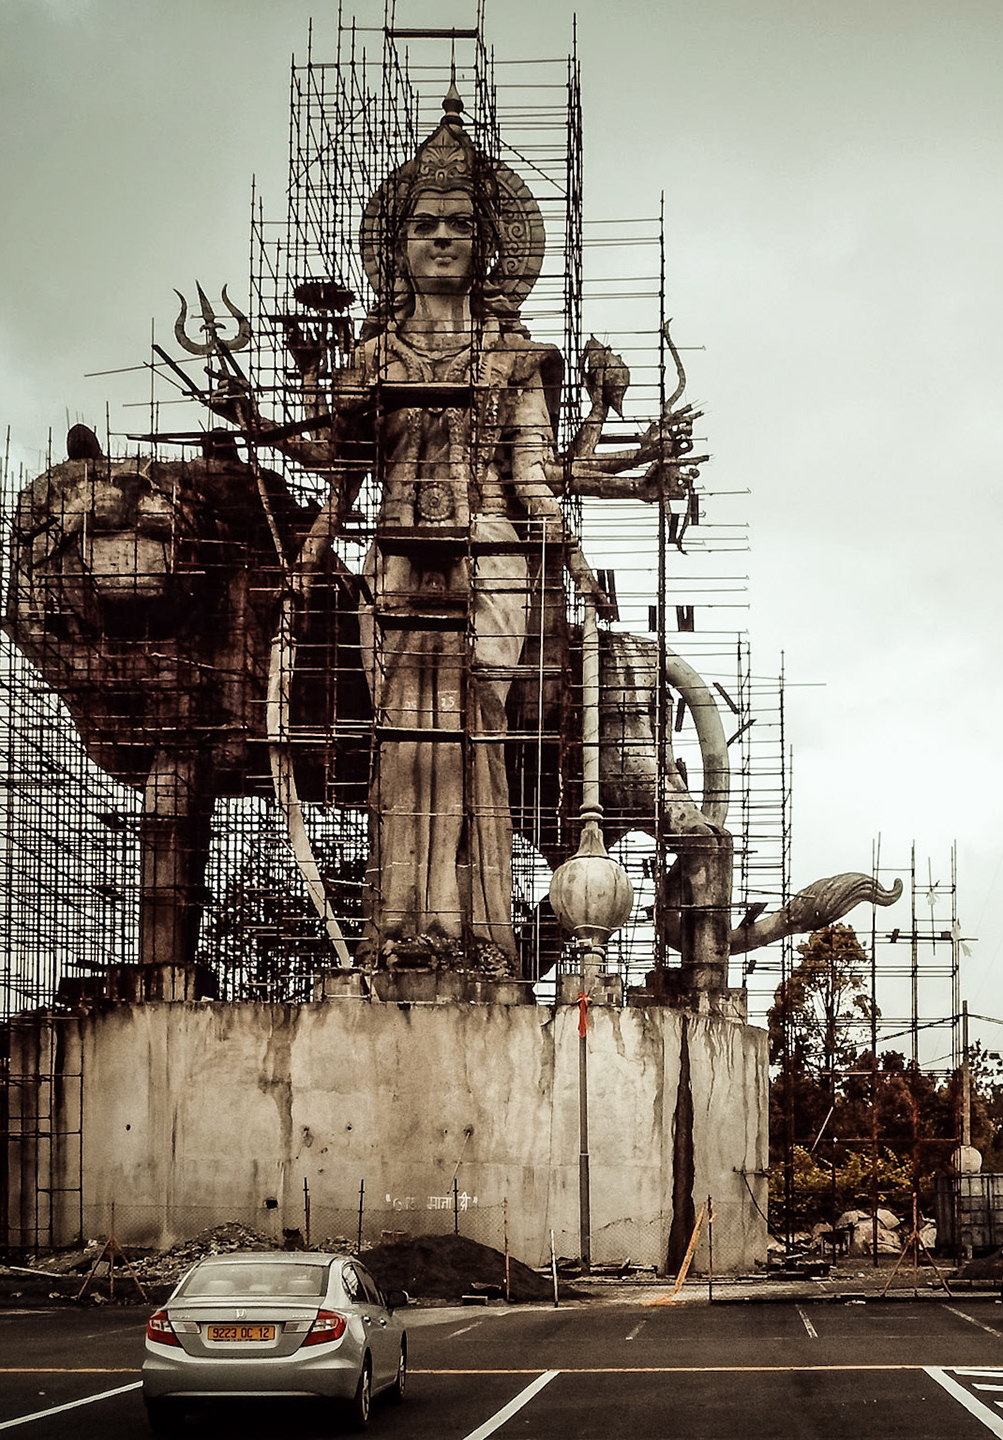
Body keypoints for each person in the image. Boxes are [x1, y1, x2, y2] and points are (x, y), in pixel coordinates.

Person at [213, 90, 693, 973]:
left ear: (486, 247)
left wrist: (575, 558)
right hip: (393, 559)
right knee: (401, 732)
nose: (441, 238)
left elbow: (534, 477)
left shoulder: (517, 361)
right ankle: (396, 931)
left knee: (475, 723)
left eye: (459, 226)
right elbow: (342, 465)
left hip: (491, 557)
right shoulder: (372, 359)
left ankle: (475, 933)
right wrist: (306, 529)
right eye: (425, 224)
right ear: (397, 248)